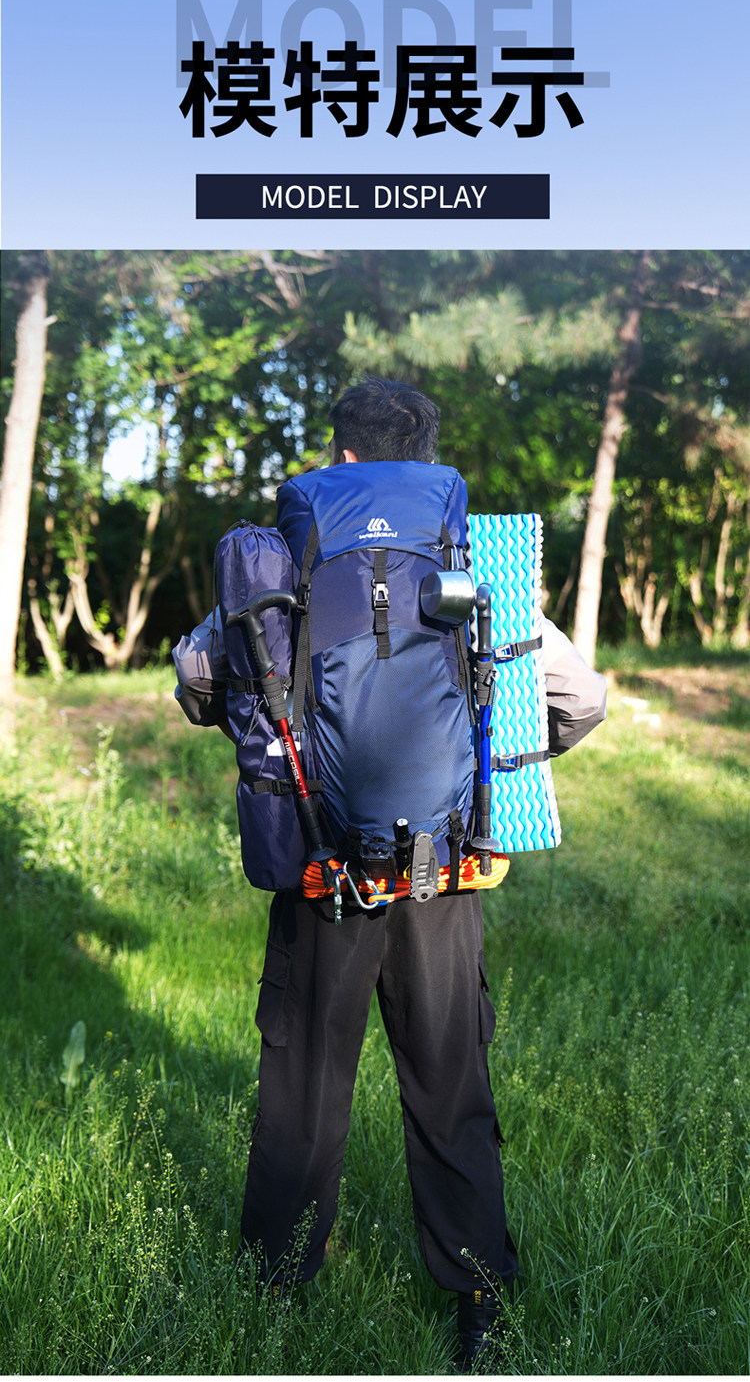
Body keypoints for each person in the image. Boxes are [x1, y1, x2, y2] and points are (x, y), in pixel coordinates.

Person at [173, 377, 607, 1369]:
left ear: (342, 453)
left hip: (320, 862)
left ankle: (274, 1295)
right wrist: (489, 762)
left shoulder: (283, 552)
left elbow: (197, 676)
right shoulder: (477, 556)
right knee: (450, 1082)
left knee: (305, 1083)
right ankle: (479, 1303)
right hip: (442, 870)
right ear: (427, 455)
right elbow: (581, 700)